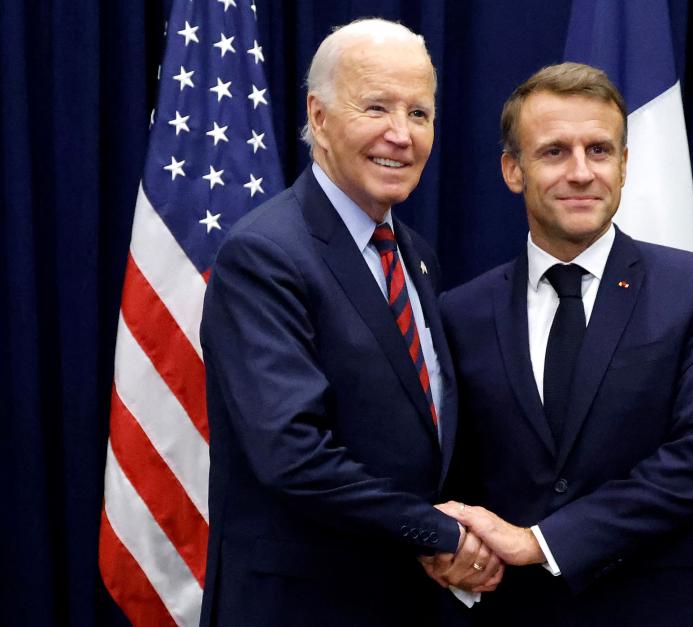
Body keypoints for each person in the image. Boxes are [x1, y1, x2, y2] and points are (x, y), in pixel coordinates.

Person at [198, 19, 499, 627]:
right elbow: (293, 455)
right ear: (321, 115)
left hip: (403, 599)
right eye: (377, 107)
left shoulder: (414, 254)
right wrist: (439, 534)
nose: (401, 135)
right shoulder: (265, 253)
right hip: (300, 604)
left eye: (420, 113)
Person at [439, 62, 693, 626]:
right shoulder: (460, 312)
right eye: (555, 152)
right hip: (513, 611)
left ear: (624, 165)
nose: (581, 172)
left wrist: (542, 542)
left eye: (600, 151)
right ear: (514, 169)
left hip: (660, 610)